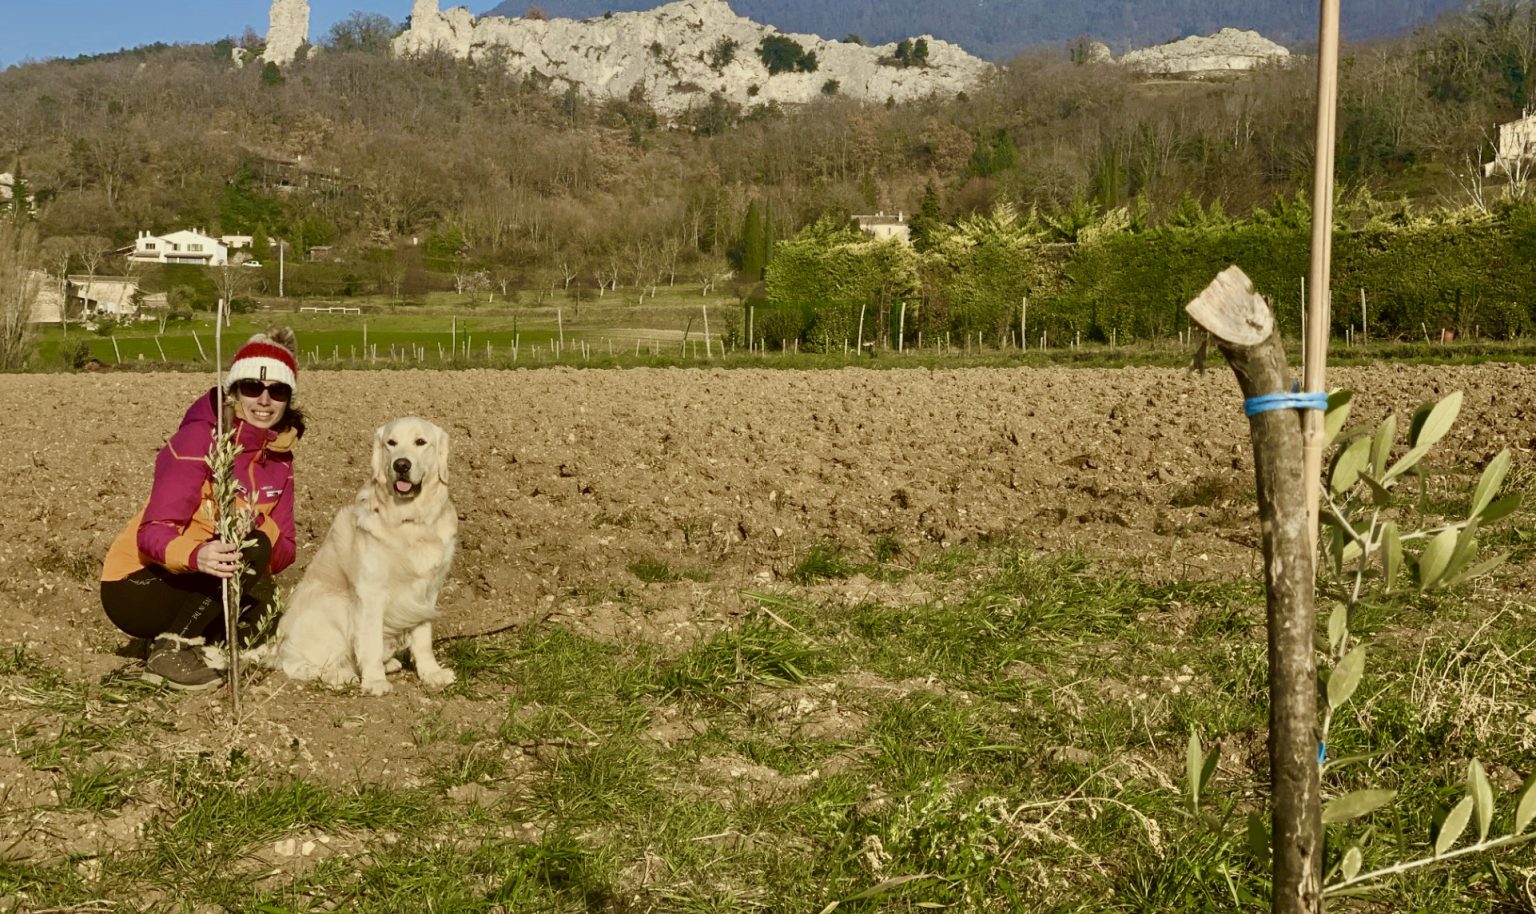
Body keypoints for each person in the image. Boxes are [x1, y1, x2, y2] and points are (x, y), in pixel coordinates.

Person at [100, 327, 305, 689]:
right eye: (252, 388)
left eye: (278, 390)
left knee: (262, 613)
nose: (264, 400)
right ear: (233, 390)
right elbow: (153, 533)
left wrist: (252, 520)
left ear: (289, 398)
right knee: (248, 547)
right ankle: (172, 649)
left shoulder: (280, 460)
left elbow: (285, 550)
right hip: (137, 585)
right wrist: (198, 555)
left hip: (201, 581)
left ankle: (185, 639)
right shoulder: (198, 440)